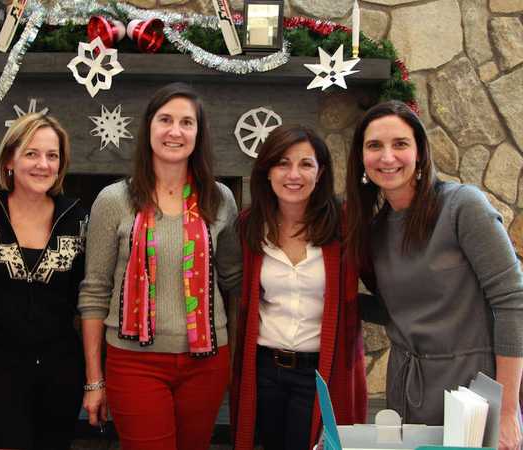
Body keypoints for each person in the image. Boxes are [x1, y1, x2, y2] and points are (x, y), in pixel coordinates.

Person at [345, 100, 523, 450]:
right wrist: (331, 301)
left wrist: (507, 410)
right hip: (409, 390)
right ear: (362, 160)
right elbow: (401, 307)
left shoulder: (463, 206)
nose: (387, 157)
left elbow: (512, 302)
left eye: (400, 144)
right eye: (374, 146)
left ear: (420, 151)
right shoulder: (374, 230)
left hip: (474, 392)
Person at [78, 82, 242, 450]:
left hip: (207, 362)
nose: (175, 131)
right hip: (134, 363)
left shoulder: (220, 199)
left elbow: (235, 280)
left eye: (187, 122)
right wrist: (94, 380)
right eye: (165, 119)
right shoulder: (114, 200)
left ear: (198, 135)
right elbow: (95, 291)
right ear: (149, 127)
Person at [230, 126, 367, 450]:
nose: (294, 174)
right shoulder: (249, 226)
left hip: (320, 372)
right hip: (264, 370)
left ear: (320, 173)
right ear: (267, 172)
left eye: (306, 164)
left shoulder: (345, 225)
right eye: (282, 163)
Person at [0, 112, 87, 450]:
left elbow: (89, 295)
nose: (42, 164)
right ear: (9, 160)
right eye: (31, 153)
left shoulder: (77, 219)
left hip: (60, 371)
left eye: (52, 156)